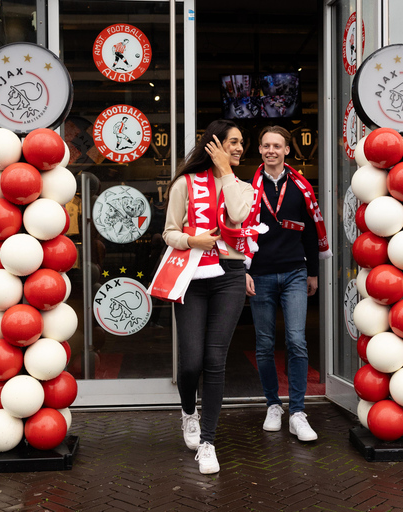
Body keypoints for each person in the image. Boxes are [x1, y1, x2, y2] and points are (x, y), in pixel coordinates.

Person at [162, 119, 254, 474]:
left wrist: (225, 172)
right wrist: (192, 241)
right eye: (232, 141)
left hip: (229, 275)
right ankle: (188, 412)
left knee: (215, 360)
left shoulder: (242, 187)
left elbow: (236, 216)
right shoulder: (184, 184)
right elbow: (169, 233)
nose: (239, 147)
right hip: (191, 273)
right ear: (213, 144)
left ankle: (208, 442)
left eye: (241, 143)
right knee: (190, 362)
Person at [244, 126, 331, 442]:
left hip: (295, 272)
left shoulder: (300, 188)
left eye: (277, 146)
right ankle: (272, 405)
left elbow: (309, 232)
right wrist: (244, 270)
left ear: (287, 151)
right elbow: (239, 231)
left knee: (296, 340)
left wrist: (312, 273)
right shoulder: (247, 189)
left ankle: (297, 411)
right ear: (260, 149)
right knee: (265, 345)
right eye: (266, 145)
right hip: (261, 275)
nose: (271, 150)